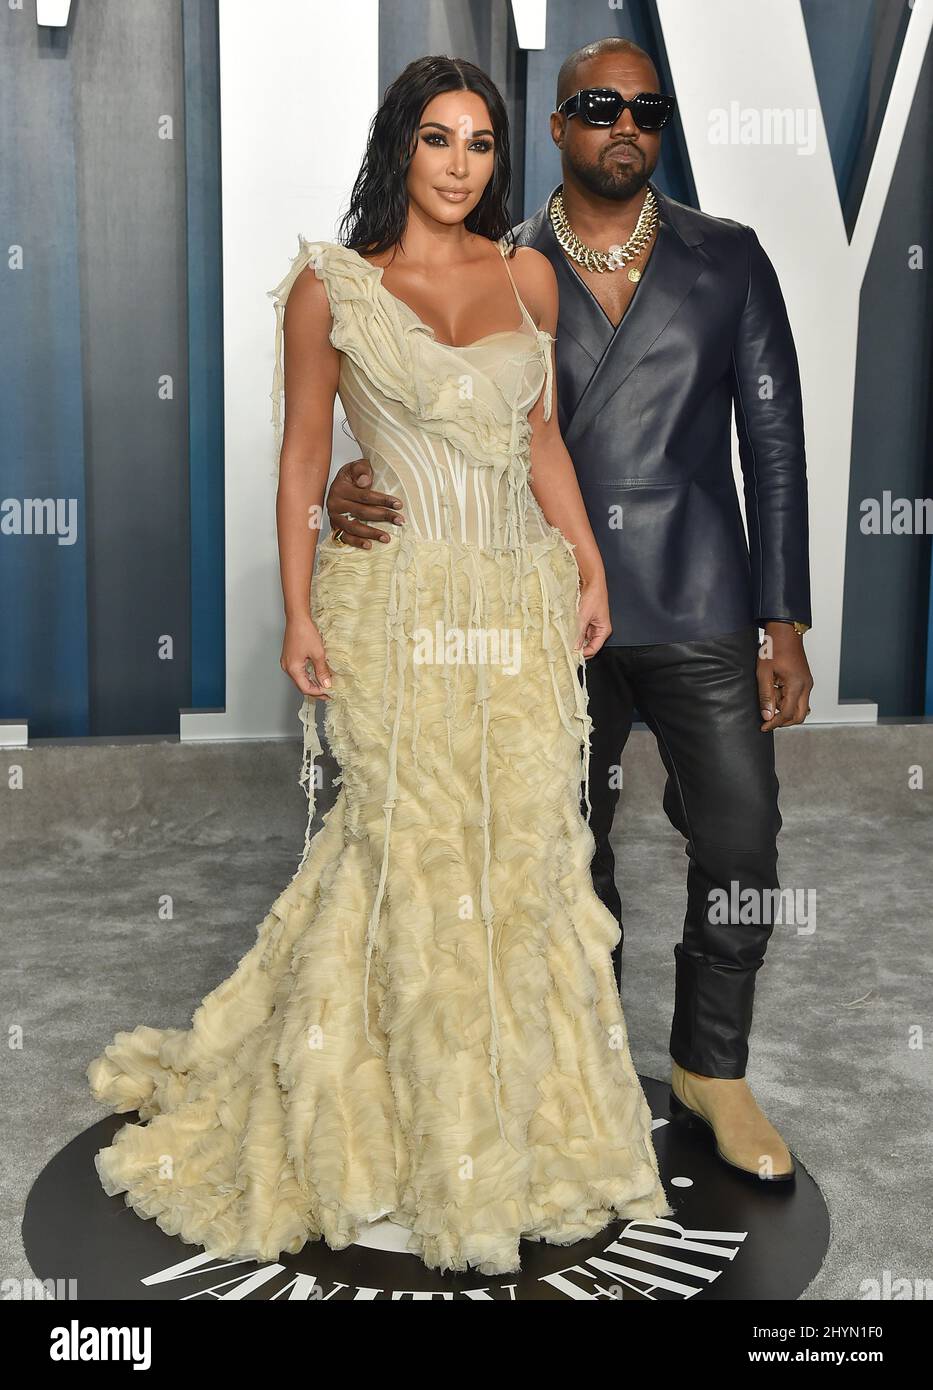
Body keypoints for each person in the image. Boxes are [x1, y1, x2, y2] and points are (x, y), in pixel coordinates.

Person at [85, 54, 672, 1279]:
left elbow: (542, 437)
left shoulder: (528, 280)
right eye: (438, 139)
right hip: (394, 608)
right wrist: (299, 612)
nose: (459, 165)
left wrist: (589, 565)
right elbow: (305, 459)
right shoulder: (330, 288)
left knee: (514, 861)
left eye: (479, 145)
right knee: (406, 854)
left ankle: (508, 1131)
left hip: (515, 600)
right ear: (400, 146)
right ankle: (385, 1139)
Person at [324, 38, 813, 1184]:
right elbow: (429, 415)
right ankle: (581, 1068)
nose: (625, 124)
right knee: (561, 853)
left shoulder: (728, 257)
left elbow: (773, 445)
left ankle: (713, 1066)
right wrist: (345, 488)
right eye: (599, 105)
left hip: (699, 598)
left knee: (740, 834)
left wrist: (781, 618)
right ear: (555, 128)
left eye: (648, 107)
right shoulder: (499, 260)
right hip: (542, 606)